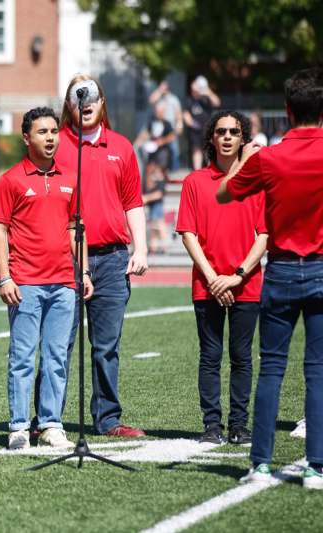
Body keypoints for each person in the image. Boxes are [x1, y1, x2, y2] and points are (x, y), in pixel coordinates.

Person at [217, 67, 323, 490]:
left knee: (272, 369)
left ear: (287, 110)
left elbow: (225, 192)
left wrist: (245, 157)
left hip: (279, 269)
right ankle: (316, 465)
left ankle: (259, 463)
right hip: (320, 267)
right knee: (317, 371)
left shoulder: (269, 158)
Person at [0, 107, 93, 450]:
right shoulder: (11, 180)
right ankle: (19, 426)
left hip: (64, 283)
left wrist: (85, 271)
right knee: (22, 357)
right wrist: (5, 277)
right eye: (42, 132)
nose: (50, 138)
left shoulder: (70, 178)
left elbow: (75, 228)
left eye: (53, 132)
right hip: (26, 284)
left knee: (56, 358)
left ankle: (50, 424)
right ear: (26, 138)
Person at [56, 74, 149, 438]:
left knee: (106, 347)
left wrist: (140, 248)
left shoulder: (122, 147)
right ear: (69, 105)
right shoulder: (56, 145)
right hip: (64, 258)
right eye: (78, 94)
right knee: (59, 345)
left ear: (103, 101)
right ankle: (48, 421)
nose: (86, 100)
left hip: (111, 259)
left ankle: (108, 419)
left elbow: (133, 203)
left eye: (92, 92)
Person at [176, 110, 267, 446]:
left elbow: (265, 235)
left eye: (234, 131)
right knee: (210, 356)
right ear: (211, 138)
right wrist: (214, 277)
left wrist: (236, 276)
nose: (227, 136)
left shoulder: (257, 183)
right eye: (221, 131)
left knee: (242, 356)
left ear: (242, 138)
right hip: (207, 285)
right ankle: (211, 425)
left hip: (246, 284)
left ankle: (239, 425)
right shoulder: (194, 182)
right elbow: (188, 233)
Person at [184, 76, 221, 170]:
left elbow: (217, 103)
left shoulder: (206, 98)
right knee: (197, 151)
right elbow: (186, 115)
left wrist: (208, 91)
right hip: (195, 131)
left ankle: (211, 170)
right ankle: (197, 172)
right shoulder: (189, 100)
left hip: (207, 129)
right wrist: (193, 124)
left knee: (208, 151)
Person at [149, 80, 184, 172]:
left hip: (171, 127)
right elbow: (151, 100)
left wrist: (179, 125)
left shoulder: (173, 99)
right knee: (158, 150)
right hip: (159, 128)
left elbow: (178, 113)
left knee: (174, 149)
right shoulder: (159, 99)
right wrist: (159, 90)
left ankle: (174, 169)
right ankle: (160, 170)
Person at [135, 101, 177, 171]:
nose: (158, 113)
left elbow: (172, 136)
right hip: (152, 149)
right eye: (157, 111)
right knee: (149, 169)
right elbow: (146, 133)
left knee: (161, 169)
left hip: (163, 149)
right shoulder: (151, 122)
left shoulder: (167, 124)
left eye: (160, 111)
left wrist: (162, 141)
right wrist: (138, 143)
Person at [142, 162, 168, 254]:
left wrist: (146, 198)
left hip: (157, 206)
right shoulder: (151, 182)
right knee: (153, 228)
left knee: (159, 226)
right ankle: (154, 248)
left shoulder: (160, 182)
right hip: (152, 206)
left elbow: (159, 194)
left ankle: (165, 246)